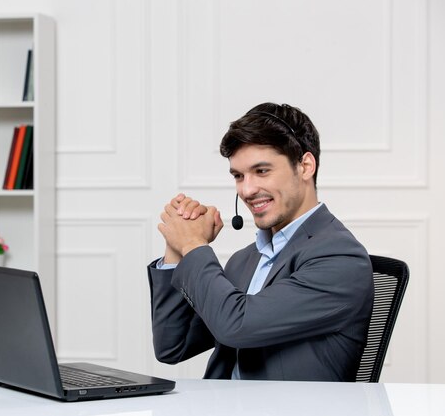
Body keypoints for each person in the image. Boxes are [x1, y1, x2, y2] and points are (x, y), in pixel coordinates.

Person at [147, 102, 374, 381]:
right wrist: (176, 247)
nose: (248, 189)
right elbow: (172, 347)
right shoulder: (247, 258)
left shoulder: (340, 259)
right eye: (239, 176)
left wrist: (193, 245)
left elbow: (236, 325)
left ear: (305, 166)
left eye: (262, 171)